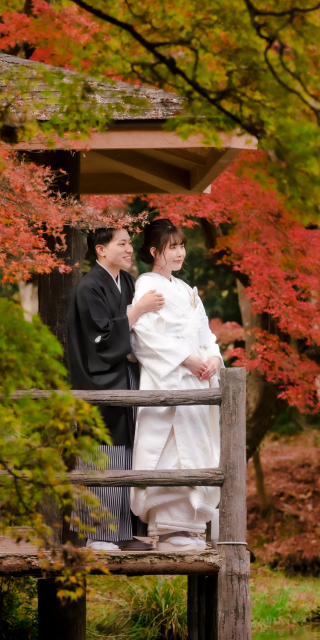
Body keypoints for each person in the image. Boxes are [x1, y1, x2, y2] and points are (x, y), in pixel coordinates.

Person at [66, 227, 165, 552]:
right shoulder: (89, 287)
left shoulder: (129, 283)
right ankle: (97, 534)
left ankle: (123, 532)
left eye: (129, 243)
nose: (129, 248)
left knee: (128, 452)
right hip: (98, 378)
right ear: (100, 249)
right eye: (121, 243)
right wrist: (137, 310)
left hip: (125, 376)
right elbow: (101, 341)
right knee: (103, 450)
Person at [129, 218, 223, 553]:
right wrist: (186, 359)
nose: (180, 252)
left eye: (182, 246)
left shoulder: (185, 289)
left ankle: (193, 529)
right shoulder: (147, 285)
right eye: (172, 247)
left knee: (196, 448)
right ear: (155, 251)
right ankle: (168, 531)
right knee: (170, 450)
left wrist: (213, 357)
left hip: (196, 381)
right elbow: (144, 336)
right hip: (170, 377)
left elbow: (205, 334)